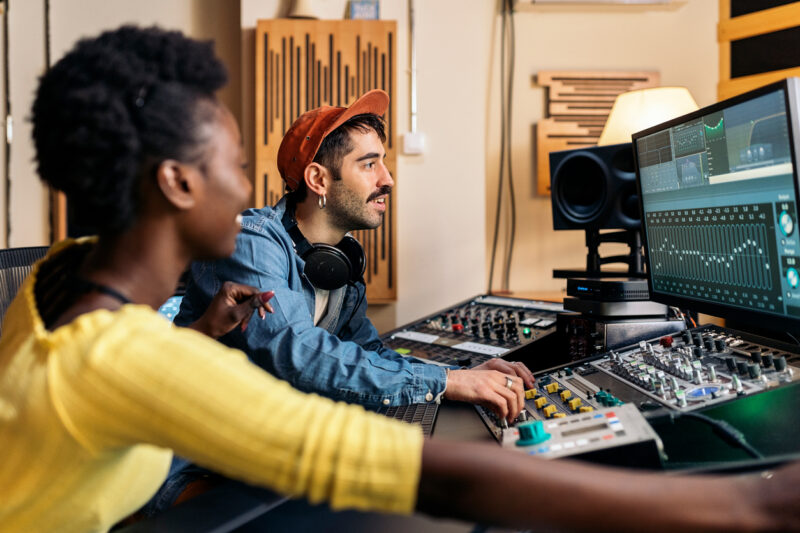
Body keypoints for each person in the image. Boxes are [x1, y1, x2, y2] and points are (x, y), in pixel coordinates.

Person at [1, 24, 799, 533]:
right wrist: (747, 503)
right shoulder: (126, 353)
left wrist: (202, 334)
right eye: (231, 166)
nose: (243, 187)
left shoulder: (60, 290)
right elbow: (376, 460)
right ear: (178, 183)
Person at [175, 88, 535, 422]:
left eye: (383, 163)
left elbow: (368, 351)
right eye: (369, 164)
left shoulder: (341, 259)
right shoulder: (252, 241)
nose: (388, 179)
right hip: (201, 452)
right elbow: (299, 353)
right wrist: (446, 382)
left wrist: (459, 375)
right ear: (318, 180)